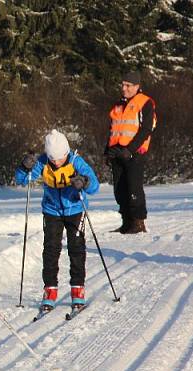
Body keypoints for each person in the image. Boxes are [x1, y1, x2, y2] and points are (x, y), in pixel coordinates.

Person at [16, 129, 100, 312]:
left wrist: (84, 182)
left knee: (76, 248)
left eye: (60, 158)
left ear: (66, 152)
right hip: (52, 210)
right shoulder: (43, 161)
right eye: (52, 158)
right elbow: (22, 180)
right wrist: (24, 166)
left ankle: (78, 289)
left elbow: (95, 186)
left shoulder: (76, 161)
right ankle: (50, 290)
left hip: (76, 209)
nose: (56, 162)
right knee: (51, 250)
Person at [105, 71, 156, 234]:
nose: (124, 88)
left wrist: (130, 149)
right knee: (119, 189)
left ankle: (138, 222)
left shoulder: (145, 103)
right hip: (117, 151)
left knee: (134, 187)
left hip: (134, 152)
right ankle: (126, 221)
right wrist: (108, 151)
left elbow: (146, 129)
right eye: (123, 84)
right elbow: (113, 129)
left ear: (136, 86)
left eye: (128, 85)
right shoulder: (118, 104)